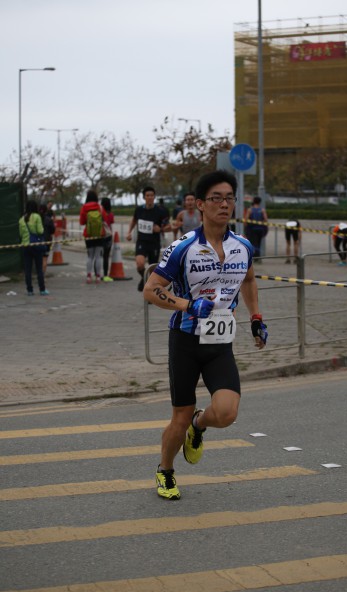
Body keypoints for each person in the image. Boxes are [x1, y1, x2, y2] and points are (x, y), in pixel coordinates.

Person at [143, 170, 268, 501]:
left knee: (226, 413)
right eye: (216, 198)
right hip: (185, 342)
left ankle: (199, 425)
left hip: (219, 342)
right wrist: (187, 304)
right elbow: (151, 289)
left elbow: (249, 280)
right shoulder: (183, 247)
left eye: (229, 198)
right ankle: (165, 470)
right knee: (179, 417)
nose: (224, 204)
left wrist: (256, 317)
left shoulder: (243, 246)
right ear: (200, 204)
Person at [126, 185, 171, 292]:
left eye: (151, 195)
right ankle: (144, 279)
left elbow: (169, 227)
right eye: (147, 195)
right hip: (142, 241)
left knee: (152, 269)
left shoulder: (160, 211)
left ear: (154, 197)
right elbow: (134, 221)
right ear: (144, 197)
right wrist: (129, 232)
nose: (150, 197)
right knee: (140, 264)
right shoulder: (139, 210)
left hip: (154, 242)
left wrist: (160, 229)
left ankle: (150, 290)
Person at [19, 199, 49, 296]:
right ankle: (42, 289)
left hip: (25, 246)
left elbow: (21, 234)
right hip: (36, 245)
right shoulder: (36, 216)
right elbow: (40, 231)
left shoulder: (21, 219)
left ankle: (30, 290)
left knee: (28, 269)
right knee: (39, 268)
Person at [79, 190, 107, 284]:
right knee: (98, 256)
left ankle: (88, 276)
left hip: (89, 234)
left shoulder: (84, 207)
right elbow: (105, 219)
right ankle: (98, 276)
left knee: (90, 256)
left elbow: (82, 222)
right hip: (100, 234)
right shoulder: (100, 207)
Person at [39, 201, 56, 274]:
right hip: (47, 241)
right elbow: (53, 230)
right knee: (45, 259)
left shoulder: (37, 219)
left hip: (38, 241)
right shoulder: (49, 220)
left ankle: (38, 273)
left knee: (38, 258)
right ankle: (42, 275)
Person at [100, 197, 114, 282]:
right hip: (108, 236)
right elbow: (111, 223)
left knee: (98, 256)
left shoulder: (100, 213)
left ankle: (97, 274)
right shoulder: (110, 214)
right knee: (106, 256)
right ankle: (105, 275)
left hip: (100, 235)